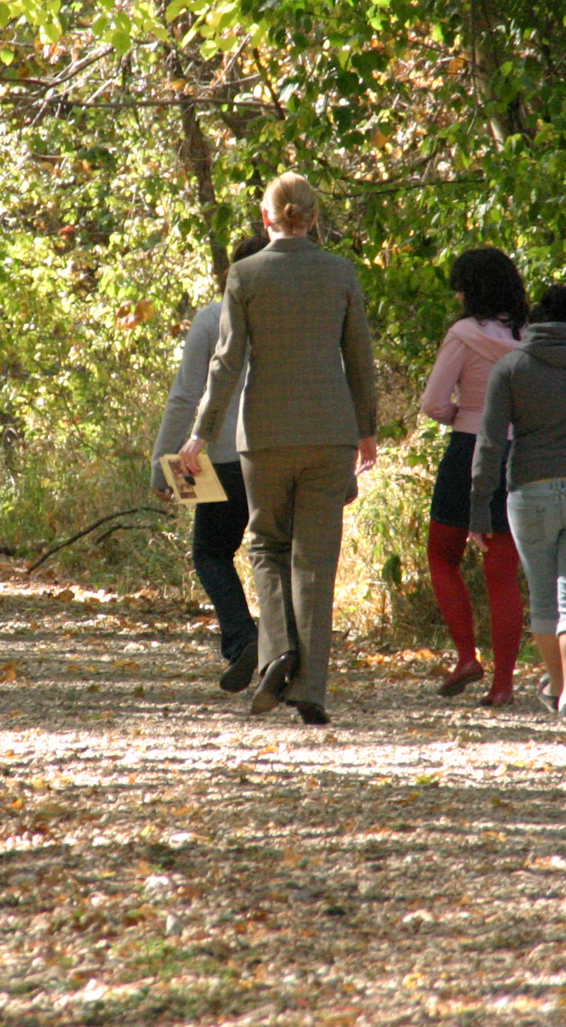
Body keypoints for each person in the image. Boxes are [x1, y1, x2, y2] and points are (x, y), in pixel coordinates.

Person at [178, 174, 378, 726]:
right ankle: (309, 687)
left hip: (264, 435)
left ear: (266, 218)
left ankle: (278, 651)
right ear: (313, 217)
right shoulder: (340, 272)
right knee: (315, 558)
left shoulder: (245, 275)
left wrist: (200, 432)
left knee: (267, 545)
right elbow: (359, 357)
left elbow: (226, 362)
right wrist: (366, 429)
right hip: (331, 433)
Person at [466, 284, 566, 727]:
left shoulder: (512, 365)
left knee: (543, 599)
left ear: (536, 317)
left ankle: (556, 686)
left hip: (531, 490)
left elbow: (490, 442)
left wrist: (479, 507)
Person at [152, 234, 270, 692]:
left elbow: (185, 396)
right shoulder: (293, 323)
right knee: (278, 555)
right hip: (279, 454)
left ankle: (243, 638)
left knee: (210, 553)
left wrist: (162, 463)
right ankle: (284, 649)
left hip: (221, 457)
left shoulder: (210, 319)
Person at [418, 247, 528, 705]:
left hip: (468, 449)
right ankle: (504, 685)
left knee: (443, 555)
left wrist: (462, 414)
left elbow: (433, 403)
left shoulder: (463, 335)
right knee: (502, 573)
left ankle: (467, 656)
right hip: (518, 455)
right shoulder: (531, 337)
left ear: (470, 291)